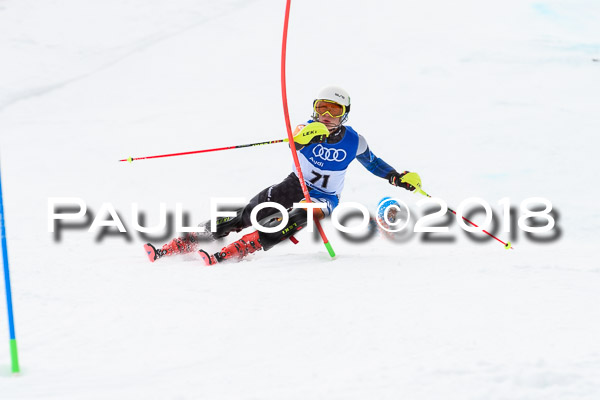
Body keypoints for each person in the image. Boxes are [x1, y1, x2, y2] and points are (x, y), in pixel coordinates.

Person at [143, 85, 417, 265]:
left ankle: (245, 247)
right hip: (295, 184)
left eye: (334, 109)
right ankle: (189, 240)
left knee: (303, 214)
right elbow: (295, 141)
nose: (326, 114)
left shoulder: (355, 141)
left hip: (326, 197)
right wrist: (307, 135)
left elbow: (373, 163)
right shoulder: (306, 127)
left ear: (344, 114)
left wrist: (397, 177)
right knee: (249, 214)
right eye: (321, 107)